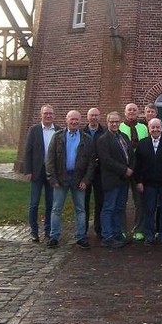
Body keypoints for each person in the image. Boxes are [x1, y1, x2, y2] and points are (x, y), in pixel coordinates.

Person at [45, 110, 95, 249]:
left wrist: (86, 180)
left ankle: (81, 237)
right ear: (66, 120)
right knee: (56, 209)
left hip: (78, 179)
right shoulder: (57, 137)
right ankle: (54, 237)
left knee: (80, 209)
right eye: (71, 119)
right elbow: (50, 159)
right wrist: (52, 178)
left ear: (80, 121)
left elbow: (91, 162)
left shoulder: (86, 139)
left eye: (76, 119)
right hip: (61, 178)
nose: (74, 122)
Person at [134, 118, 162, 245]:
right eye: (152, 127)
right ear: (148, 128)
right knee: (149, 210)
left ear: (161, 128)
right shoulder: (142, 144)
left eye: (157, 127)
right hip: (148, 184)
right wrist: (139, 181)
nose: (155, 129)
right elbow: (138, 165)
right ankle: (149, 236)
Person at [97, 111, 135, 248]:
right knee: (109, 208)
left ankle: (117, 233)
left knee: (119, 208)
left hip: (124, 180)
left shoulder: (124, 136)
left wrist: (131, 168)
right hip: (112, 180)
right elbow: (106, 160)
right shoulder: (103, 139)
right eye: (111, 121)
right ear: (107, 123)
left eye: (116, 121)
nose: (114, 124)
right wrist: (124, 170)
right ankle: (107, 236)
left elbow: (131, 155)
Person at [23, 104, 57, 243]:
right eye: (45, 113)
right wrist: (28, 170)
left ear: (53, 115)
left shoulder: (58, 130)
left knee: (50, 203)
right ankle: (34, 231)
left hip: (52, 173)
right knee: (34, 203)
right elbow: (28, 151)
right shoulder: (34, 130)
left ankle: (48, 231)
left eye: (50, 113)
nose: (48, 116)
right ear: (41, 115)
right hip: (37, 171)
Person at [119, 103, 149, 240]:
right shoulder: (120, 127)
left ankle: (139, 229)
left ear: (138, 112)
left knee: (140, 201)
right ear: (125, 112)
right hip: (123, 169)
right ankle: (121, 229)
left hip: (139, 169)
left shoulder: (143, 128)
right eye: (129, 110)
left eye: (134, 110)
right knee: (121, 200)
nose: (132, 112)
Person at [83, 107, 106, 239]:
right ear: (88, 117)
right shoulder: (82, 132)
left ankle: (99, 228)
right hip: (85, 172)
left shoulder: (104, 132)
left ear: (99, 117)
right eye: (91, 115)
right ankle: (83, 229)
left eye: (96, 115)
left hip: (99, 171)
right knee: (84, 201)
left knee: (100, 201)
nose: (94, 118)